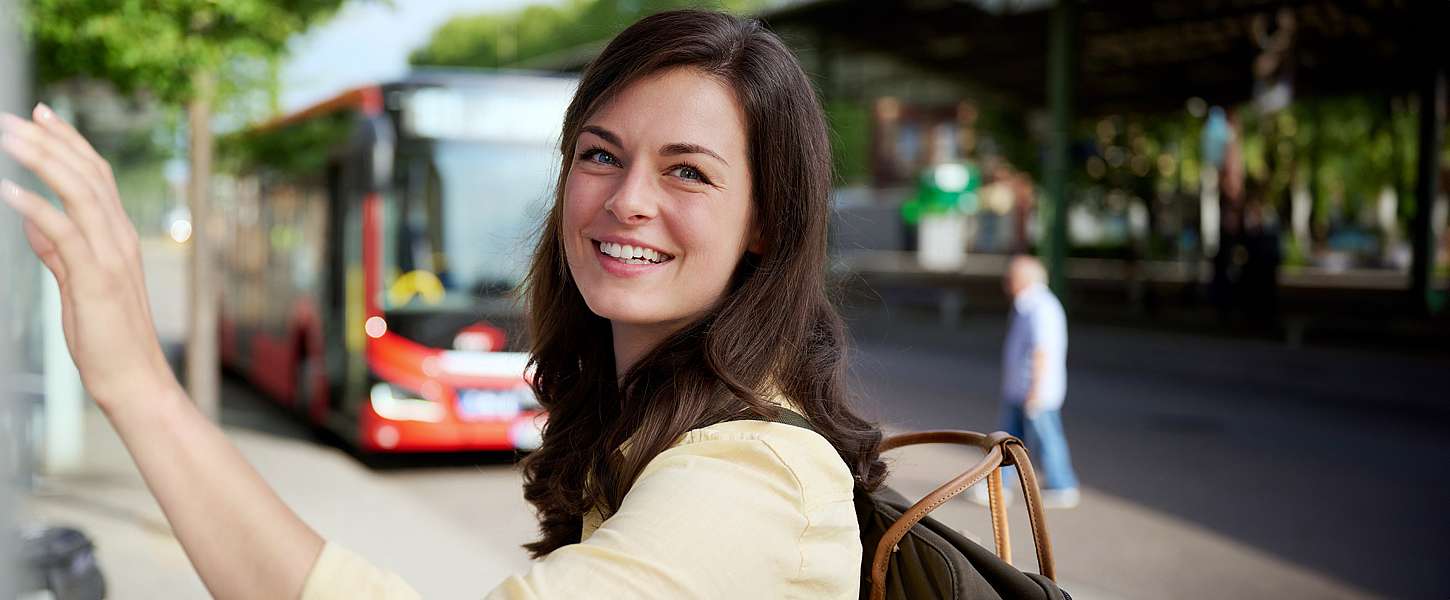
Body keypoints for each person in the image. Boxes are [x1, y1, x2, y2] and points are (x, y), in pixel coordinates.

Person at [0, 10, 886, 599]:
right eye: (599, 154)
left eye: (686, 171)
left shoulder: (750, 481)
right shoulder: (648, 427)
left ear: (766, 221)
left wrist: (139, 386)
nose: (627, 202)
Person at [971, 255, 1080, 509]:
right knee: (1009, 441)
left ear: (1025, 279)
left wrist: (1035, 390)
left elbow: (1042, 351)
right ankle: (1001, 486)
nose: (1006, 282)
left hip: (1034, 391)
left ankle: (1063, 484)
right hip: (1020, 389)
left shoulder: (1040, 306)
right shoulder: (1027, 305)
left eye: (1011, 276)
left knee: (1045, 437)